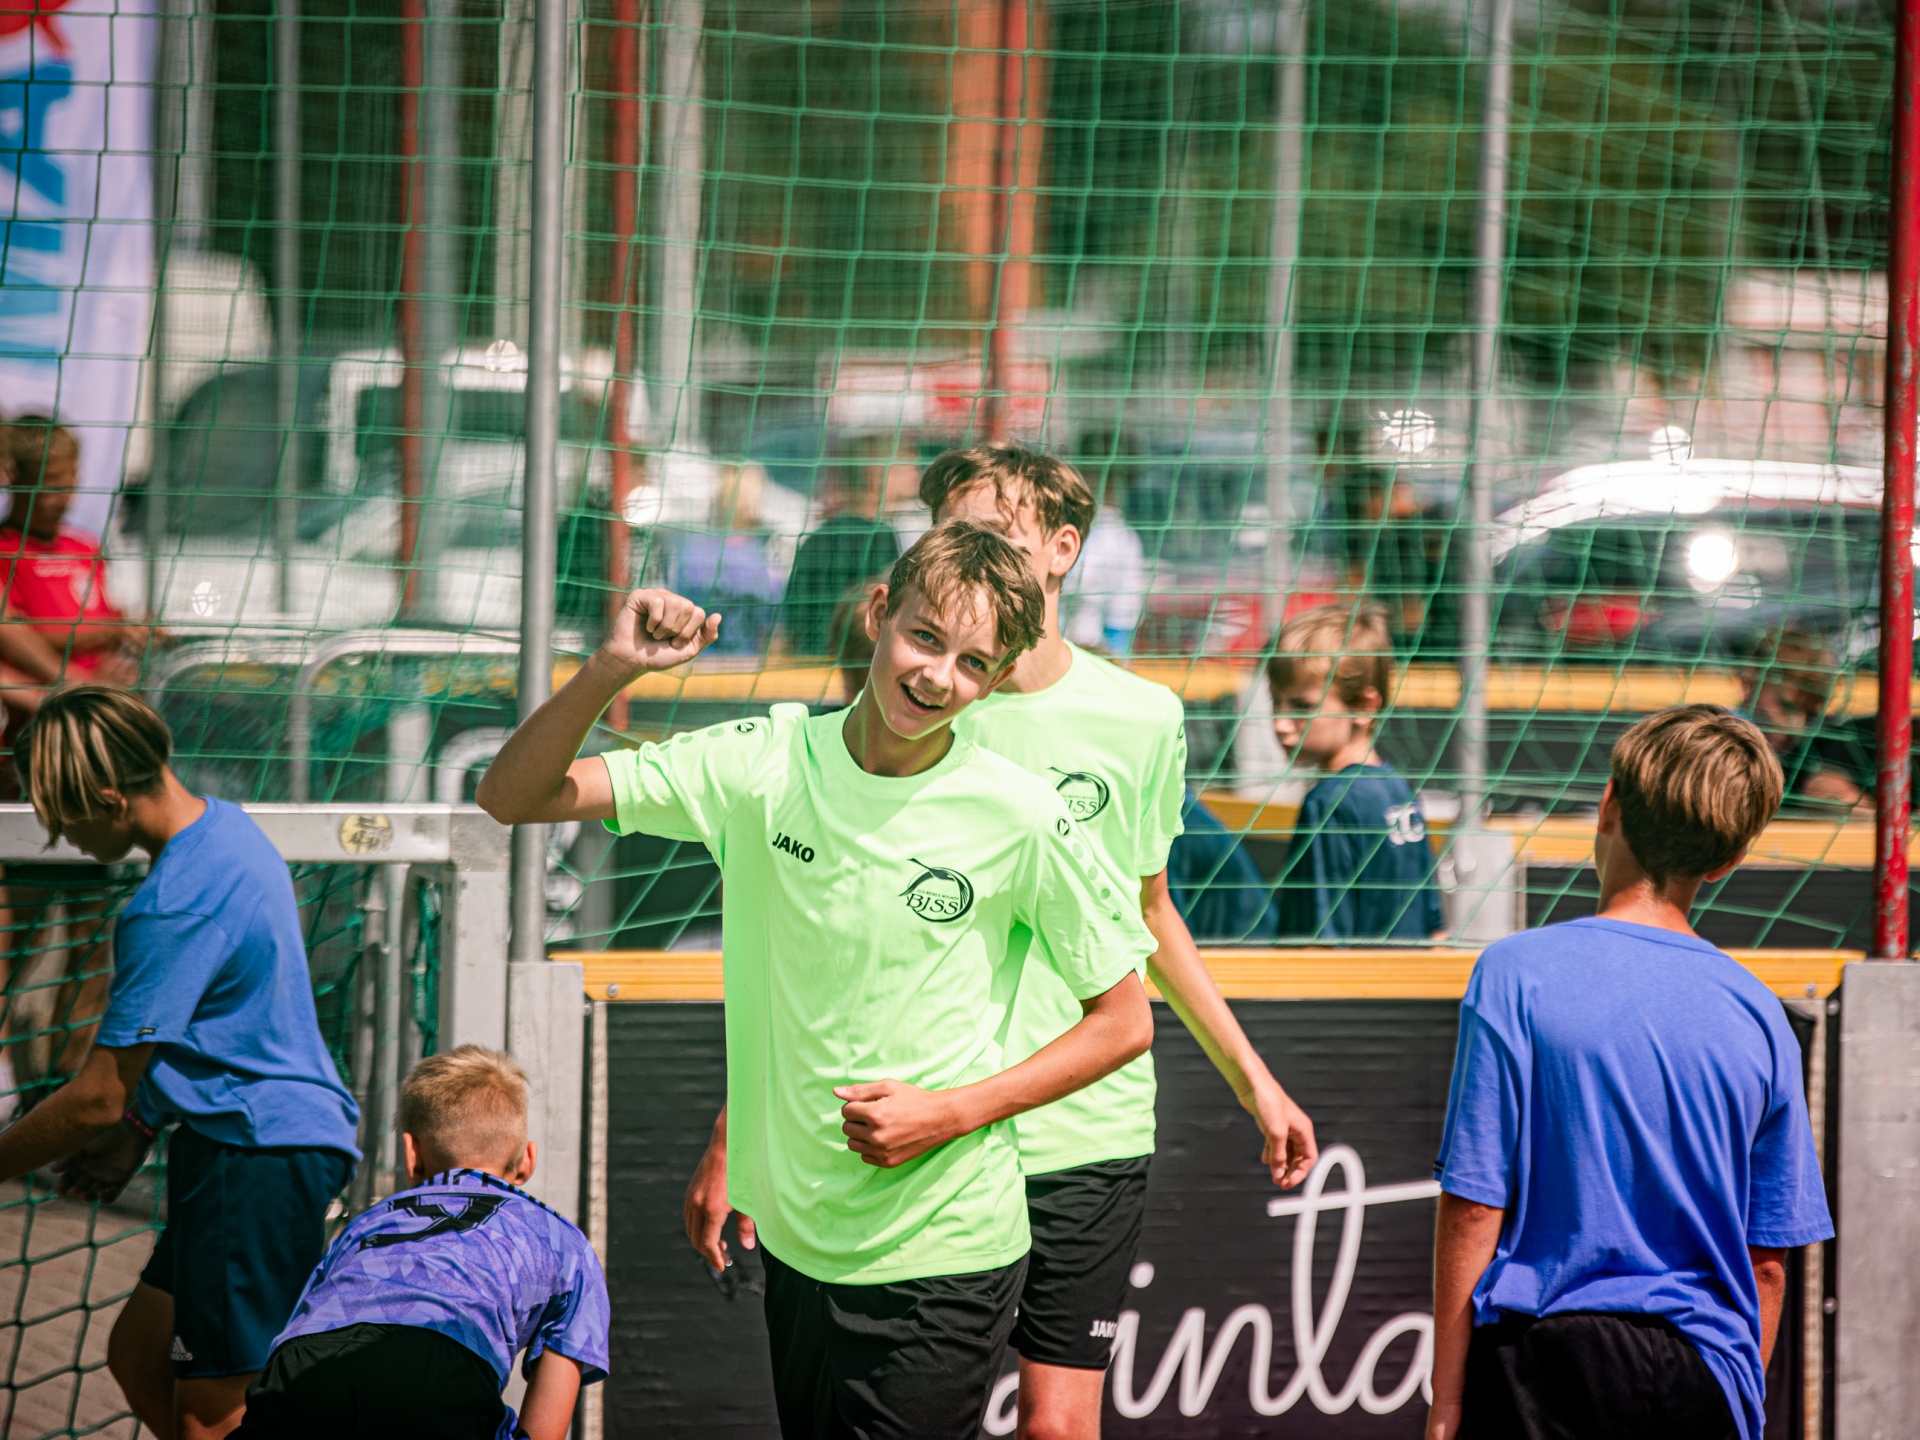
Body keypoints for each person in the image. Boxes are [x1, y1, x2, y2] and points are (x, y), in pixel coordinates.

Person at [477, 521, 1157, 1440]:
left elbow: (1124, 1020)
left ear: (997, 679)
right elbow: (512, 797)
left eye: (972, 663)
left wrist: (950, 1112)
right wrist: (611, 669)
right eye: (924, 638)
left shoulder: (1021, 813)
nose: (937, 676)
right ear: (879, 615)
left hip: (943, 1248)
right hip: (798, 1241)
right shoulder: (761, 762)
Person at [690, 444, 1316, 1440]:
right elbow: (818, 941)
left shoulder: (1139, 717)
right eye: (947, 533)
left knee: (1057, 1426)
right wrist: (743, 1136)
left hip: (1080, 1131)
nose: (964, 555)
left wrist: (1256, 1082)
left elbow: (1149, 916)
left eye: (990, 532)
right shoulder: (917, 705)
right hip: (921, 1141)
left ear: (1063, 550)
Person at [1427, 705, 1832, 1440]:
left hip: (1545, 1361)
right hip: (1705, 1374)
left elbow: (1475, 1205)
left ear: (1609, 803)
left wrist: (1447, 1403)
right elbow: (1768, 1260)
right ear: (1727, 860)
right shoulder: (1761, 1016)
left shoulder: (1516, 973)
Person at [0, 686, 359, 1440]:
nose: (61, 837)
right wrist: (141, 1125)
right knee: (138, 1355)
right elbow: (218, 1025)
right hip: (255, 1141)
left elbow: (96, 1096)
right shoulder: (225, 828)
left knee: (213, 1413)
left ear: (108, 797)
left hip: (256, 1154)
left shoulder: (170, 904)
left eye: (64, 817)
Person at [233, 1046, 609, 1440]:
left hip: (303, 1363)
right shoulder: (564, 1243)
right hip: (439, 1363)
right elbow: (546, 1427)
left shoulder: (364, 1225)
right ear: (527, 1159)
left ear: (411, 1154)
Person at [1267, 603, 1443, 940]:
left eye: (1302, 706)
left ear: (1363, 706)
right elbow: (1435, 931)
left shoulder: (1328, 803)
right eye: (1276, 701)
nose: (1280, 723)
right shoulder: (1399, 790)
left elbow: (1320, 945)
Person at [1734, 624, 1867, 811]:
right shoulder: (1722, 737)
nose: (1797, 725)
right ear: (1748, 683)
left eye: (1810, 713)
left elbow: (1827, 789)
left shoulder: (1826, 741)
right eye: (1786, 707)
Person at [780, 456, 903, 656]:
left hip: (811, 659)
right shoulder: (881, 536)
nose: (914, 475)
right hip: (861, 661)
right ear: (874, 477)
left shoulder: (815, 537)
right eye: (902, 470)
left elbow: (794, 615)